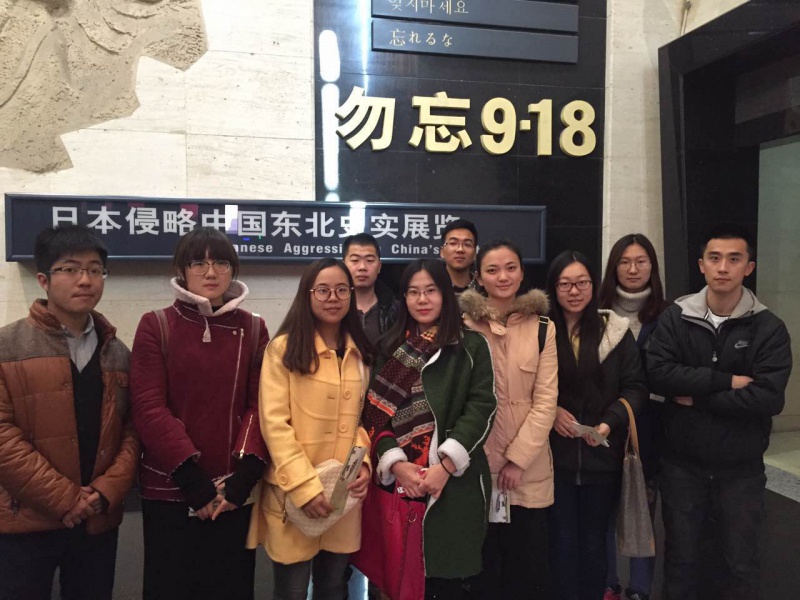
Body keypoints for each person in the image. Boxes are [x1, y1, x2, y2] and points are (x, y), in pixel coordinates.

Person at [647, 226, 792, 600]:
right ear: (701, 265)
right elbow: (659, 374)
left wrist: (698, 398)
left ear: (749, 267)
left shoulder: (769, 328)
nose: (723, 267)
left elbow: (767, 398)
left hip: (741, 470)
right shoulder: (676, 317)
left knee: (740, 565)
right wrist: (726, 381)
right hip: (682, 466)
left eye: (734, 259)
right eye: (715, 258)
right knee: (680, 562)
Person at [0, 225, 139, 599]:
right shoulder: (7, 347)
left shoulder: (118, 353)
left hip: (96, 519)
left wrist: (106, 491)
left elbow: (132, 431)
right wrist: (65, 499)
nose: (85, 280)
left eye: (95, 270)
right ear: (43, 280)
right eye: (70, 269)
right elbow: (2, 438)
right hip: (24, 521)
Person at [130, 227, 269, 600]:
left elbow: (261, 406)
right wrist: (192, 480)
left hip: (232, 492)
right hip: (170, 489)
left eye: (221, 262)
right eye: (199, 263)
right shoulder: (156, 324)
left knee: (231, 587)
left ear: (233, 269)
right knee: (170, 587)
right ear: (182, 269)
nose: (211, 272)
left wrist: (241, 482)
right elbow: (148, 406)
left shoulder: (254, 328)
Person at [362, 258, 497, 599]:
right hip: (403, 483)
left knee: (449, 580)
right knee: (400, 579)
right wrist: (396, 464)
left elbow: (481, 408)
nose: (422, 300)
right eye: (413, 292)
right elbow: (374, 415)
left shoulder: (471, 346)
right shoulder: (389, 348)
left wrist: (445, 466)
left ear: (445, 294)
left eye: (431, 291)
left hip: (455, 481)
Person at [247, 258, 373, 600]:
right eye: (323, 290)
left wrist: (363, 464)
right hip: (294, 493)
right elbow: (274, 424)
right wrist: (305, 488)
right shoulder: (283, 349)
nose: (333, 298)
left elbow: (362, 420)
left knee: (334, 586)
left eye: (341, 290)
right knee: (292, 590)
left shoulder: (360, 352)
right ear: (308, 294)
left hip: (342, 495)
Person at [546, 250, 647, 600]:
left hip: (601, 458)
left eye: (582, 282)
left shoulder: (614, 332)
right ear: (553, 288)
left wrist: (608, 424)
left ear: (594, 284)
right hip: (552, 460)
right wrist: (551, 411)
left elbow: (635, 387)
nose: (574, 291)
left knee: (594, 545)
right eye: (565, 284)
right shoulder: (541, 331)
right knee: (559, 543)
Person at [460, 240, 558, 599]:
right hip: (474, 467)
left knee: (525, 568)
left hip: (528, 470)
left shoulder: (543, 327)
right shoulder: (463, 327)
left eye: (510, 268)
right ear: (479, 277)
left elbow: (546, 400)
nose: (503, 276)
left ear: (521, 272)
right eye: (492, 270)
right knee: (481, 568)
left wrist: (518, 459)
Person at [598, 233, 668, 600]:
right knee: (603, 513)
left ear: (652, 267)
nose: (633, 269)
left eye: (641, 261)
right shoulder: (596, 312)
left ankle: (640, 589)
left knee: (643, 510)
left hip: (650, 430)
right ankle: (608, 584)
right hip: (605, 426)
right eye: (624, 262)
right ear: (613, 267)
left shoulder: (668, 315)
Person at [343, 233, 398, 344]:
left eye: (369, 260)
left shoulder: (396, 310)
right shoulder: (333, 307)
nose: (362, 267)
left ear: (379, 267)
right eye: (355, 260)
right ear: (343, 265)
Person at [440, 218, 479, 293]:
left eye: (467, 244)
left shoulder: (484, 289)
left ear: (475, 253)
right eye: (453, 243)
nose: (460, 249)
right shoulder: (432, 287)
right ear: (442, 251)